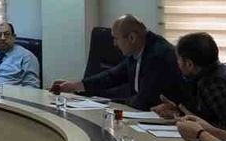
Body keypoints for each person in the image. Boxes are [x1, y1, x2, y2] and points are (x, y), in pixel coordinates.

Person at [49, 14, 184, 110]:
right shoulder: (138, 49)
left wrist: (105, 102)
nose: (114, 44)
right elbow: (112, 76)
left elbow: (144, 101)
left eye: (116, 38)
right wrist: (75, 86)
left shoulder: (158, 55)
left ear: (131, 37)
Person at [151, 32, 226, 135]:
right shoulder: (214, 73)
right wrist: (178, 113)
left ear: (189, 64)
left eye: (179, 60)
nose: (178, 64)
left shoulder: (213, 84)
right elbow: (212, 117)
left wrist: (193, 123)